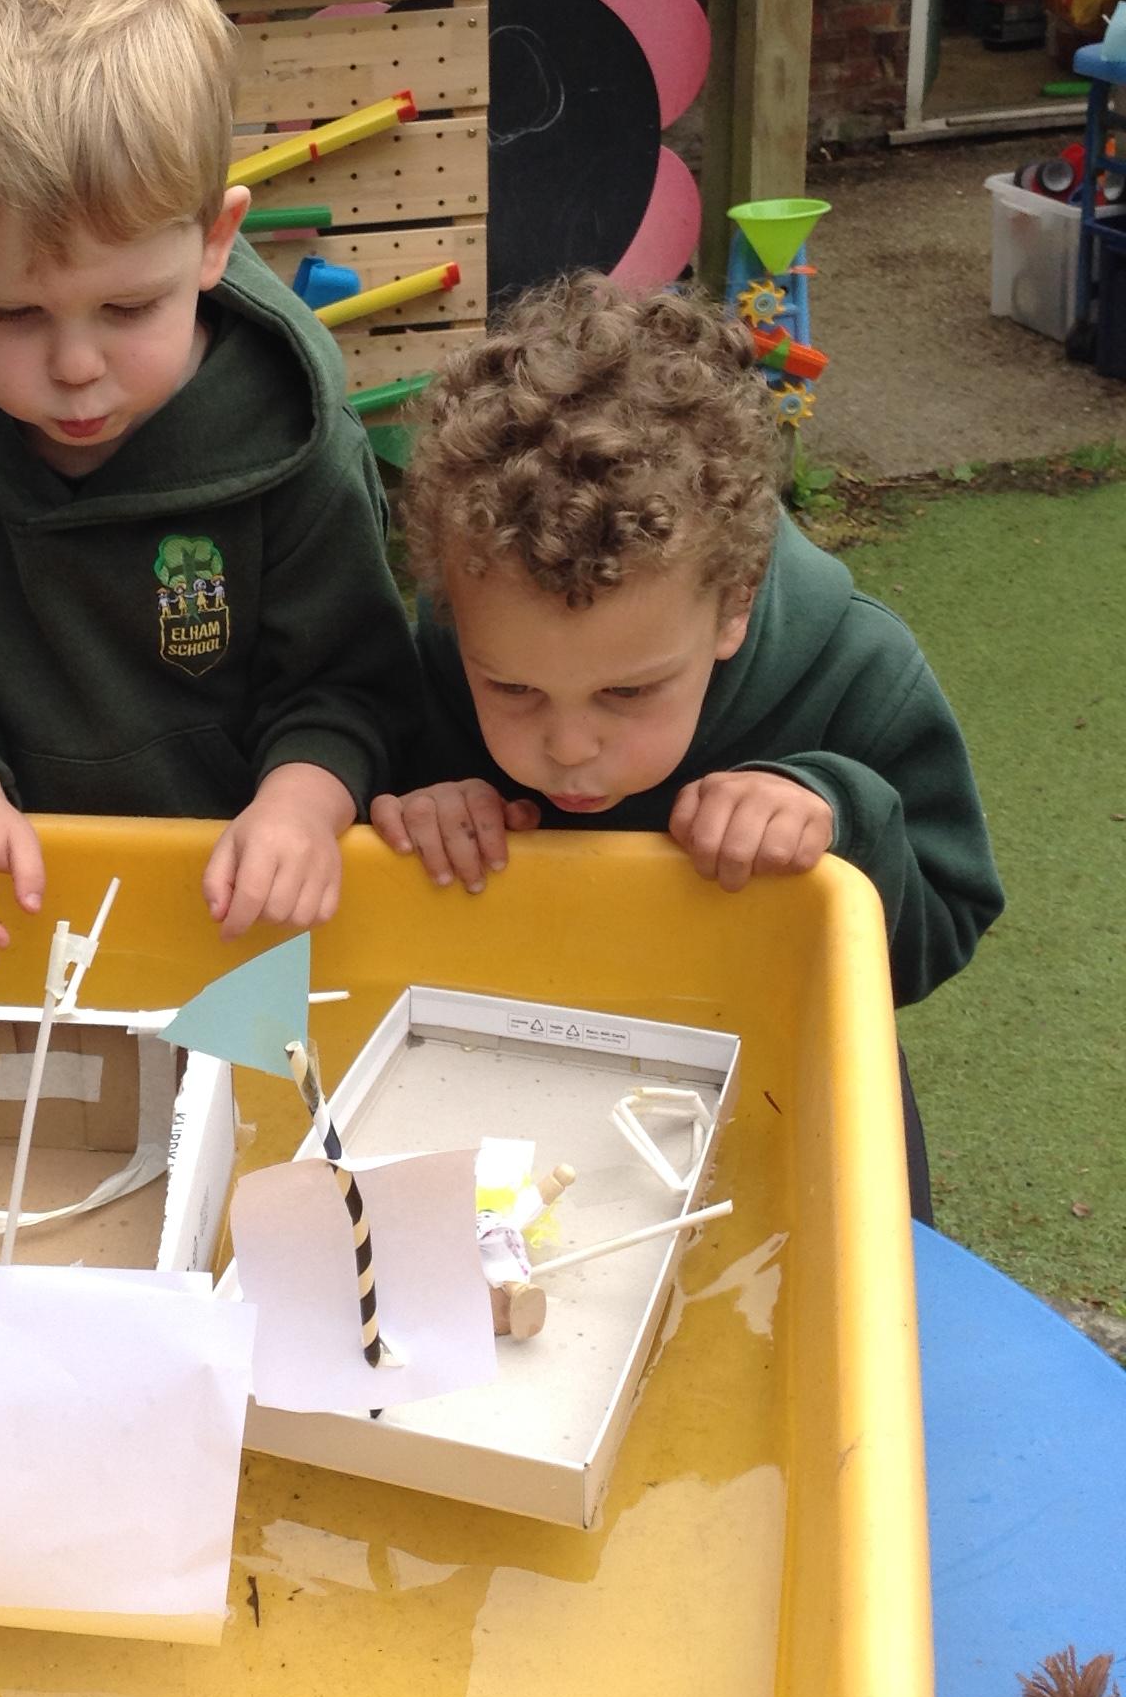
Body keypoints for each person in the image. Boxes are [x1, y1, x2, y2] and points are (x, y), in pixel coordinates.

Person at [0, 0, 420, 974]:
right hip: (29, 918)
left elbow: (348, 682)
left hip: (253, 917)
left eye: (129, 308)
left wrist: (302, 806)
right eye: (16, 314)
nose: (77, 367)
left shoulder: (299, 440)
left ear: (215, 241)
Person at [371, 278, 1003, 1217]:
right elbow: (374, 936)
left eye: (628, 693)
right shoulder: (433, 660)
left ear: (734, 603)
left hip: (791, 1112)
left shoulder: (857, 670)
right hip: (520, 1112)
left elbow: (940, 933)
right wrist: (418, 817)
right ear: (455, 612)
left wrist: (841, 817)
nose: (568, 748)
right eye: (512, 690)